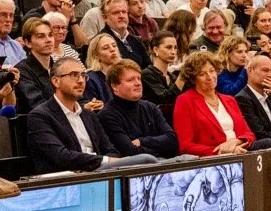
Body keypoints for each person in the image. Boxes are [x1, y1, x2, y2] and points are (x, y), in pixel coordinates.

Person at [26, 57, 160, 173]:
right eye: (74, 75)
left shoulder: (88, 115)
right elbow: (61, 156)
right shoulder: (40, 116)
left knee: (179, 159)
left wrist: (106, 160)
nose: (81, 81)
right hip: (69, 178)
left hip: (98, 171)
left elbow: (111, 150)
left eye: (83, 76)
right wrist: (104, 160)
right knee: (146, 160)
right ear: (56, 81)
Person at [172, 50, 271, 155]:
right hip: (213, 156)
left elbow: (249, 134)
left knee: (268, 143)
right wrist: (222, 151)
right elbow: (185, 146)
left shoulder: (229, 100)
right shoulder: (184, 101)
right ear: (193, 78)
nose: (209, 77)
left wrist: (235, 142)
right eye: (202, 74)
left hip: (240, 149)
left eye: (212, 71)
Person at [97, 60, 184, 160]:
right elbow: (130, 152)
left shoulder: (150, 107)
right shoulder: (107, 115)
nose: (138, 83)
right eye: (130, 80)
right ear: (115, 86)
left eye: (139, 79)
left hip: (166, 162)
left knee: (191, 159)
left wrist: (142, 141)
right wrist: (160, 148)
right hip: (138, 169)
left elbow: (173, 140)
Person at [233, 53, 271, 147]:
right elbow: (259, 133)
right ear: (250, 71)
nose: (270, 75)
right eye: (265, 70)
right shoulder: (242, 99)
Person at [15, 17, 57, 114]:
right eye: (41, 36)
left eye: (50, 35)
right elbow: (37, 105)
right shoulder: (22, 70)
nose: (48, 40)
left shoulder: (59, 67)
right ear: (28, 43)